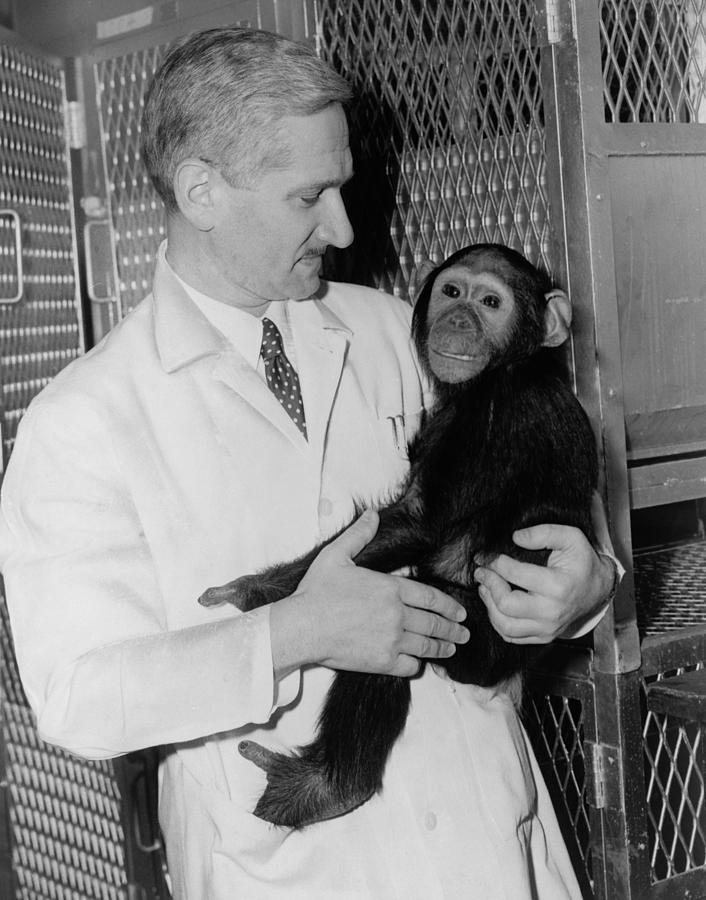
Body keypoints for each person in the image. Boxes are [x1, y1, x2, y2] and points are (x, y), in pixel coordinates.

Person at [0, 26, 618, 900]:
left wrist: (588, 588)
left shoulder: (392, 330)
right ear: (202, 192)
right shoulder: (83, 421)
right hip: (295, 870)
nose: (345, 224)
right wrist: (291, 634)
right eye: (310, 196)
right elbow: (78, 697)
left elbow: (544, 510)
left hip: (488, 838)